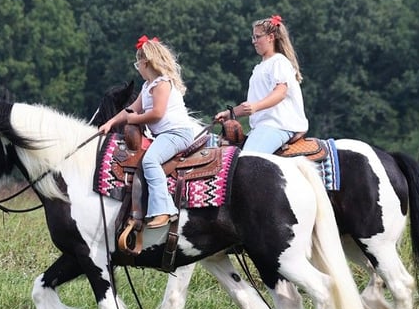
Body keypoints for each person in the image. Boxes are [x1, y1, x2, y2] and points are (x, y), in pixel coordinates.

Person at [99, 35, 196, 228]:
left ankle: (164, 210)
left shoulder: (162, 84)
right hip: (166, 135)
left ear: (145, 63)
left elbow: (157, 113)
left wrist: (135, 120)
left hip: (177, 133)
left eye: (138, 64)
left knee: (150, 161)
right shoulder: (147, 86)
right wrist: (110, 123)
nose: (138, 69)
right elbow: (131, 110)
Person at [214, 14, 308, 153]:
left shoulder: (279, 61)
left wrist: (256, 106)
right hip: (262, 127)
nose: (254, 41)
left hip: (277, 126)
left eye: (257, 37)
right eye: (253, 37)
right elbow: (251, 104)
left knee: (247, 159)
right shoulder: (260, 67)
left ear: (270, 37)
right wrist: (230, 113)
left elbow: (280, 92)